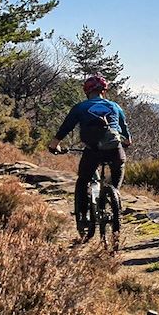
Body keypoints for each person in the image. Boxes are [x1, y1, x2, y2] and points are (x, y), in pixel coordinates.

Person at [47, 74, 131, 229]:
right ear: (103, 91)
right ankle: (114, 197)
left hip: (92, 150)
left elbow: (66, 128)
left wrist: (54, 145)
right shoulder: (115, 106)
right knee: (119, 168)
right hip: (114, 149)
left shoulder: (80, 107)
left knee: (83, 181)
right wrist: (126, 142)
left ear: (87, 91)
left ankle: (83, 216)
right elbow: (124, 130)